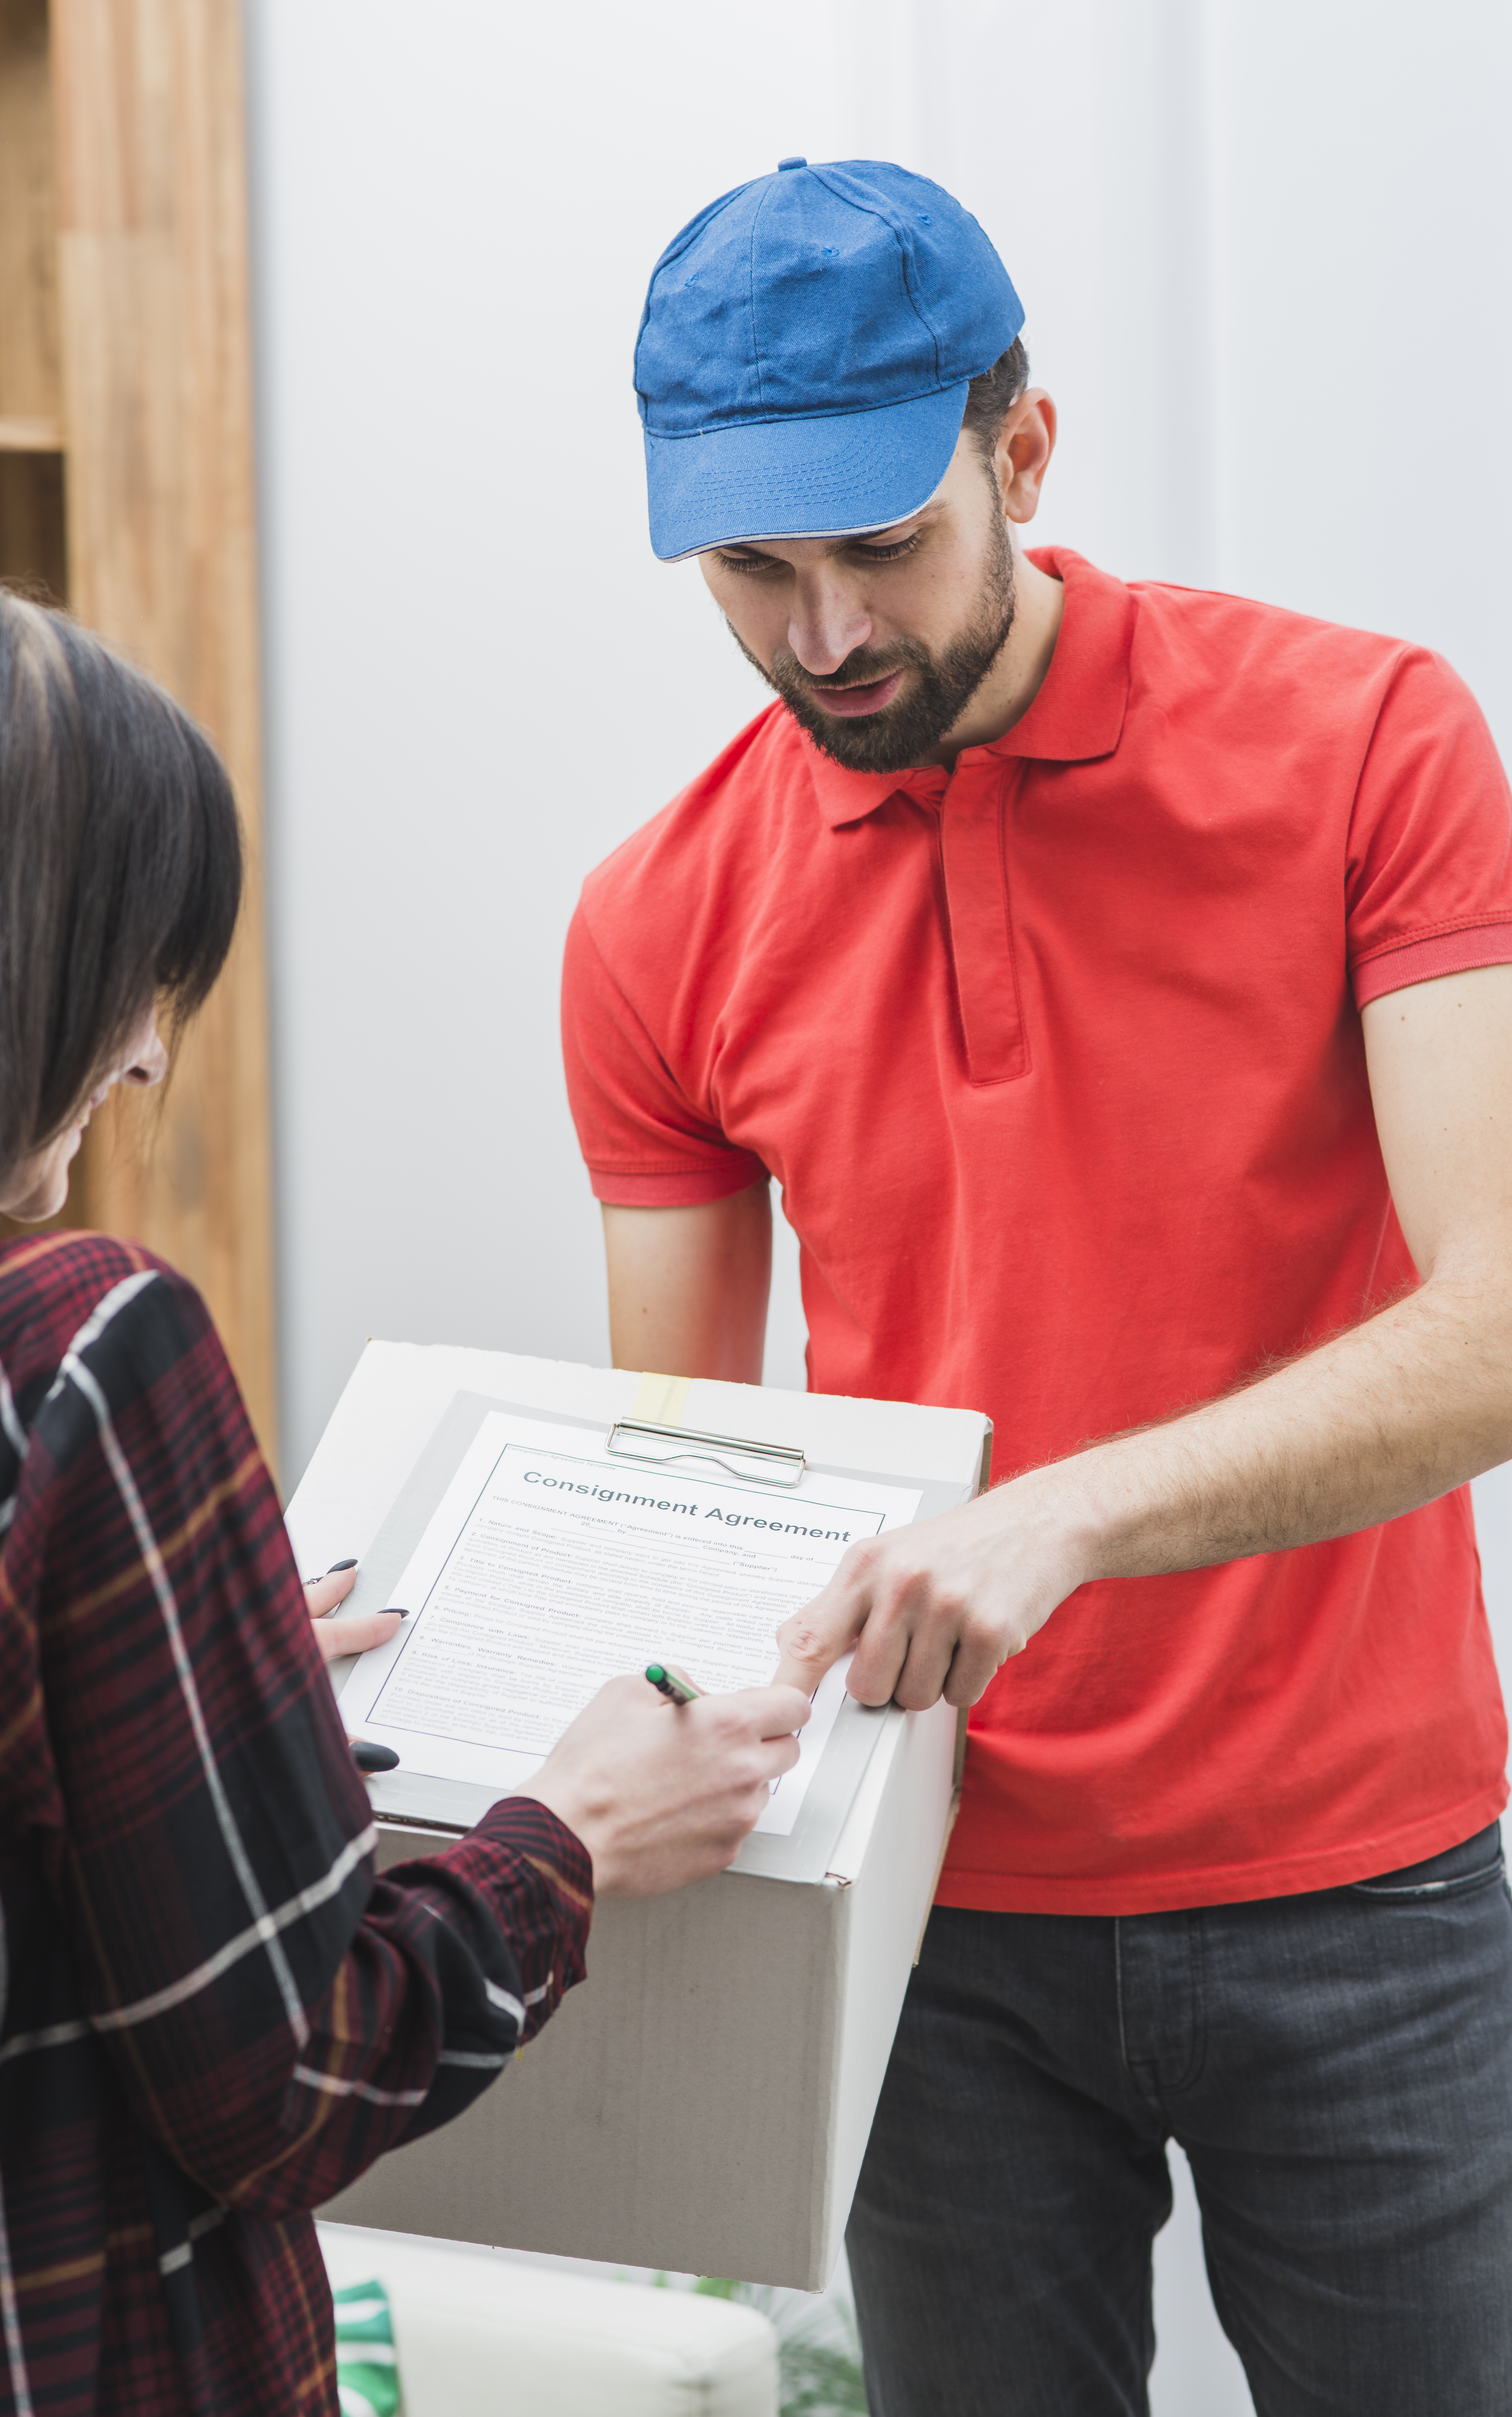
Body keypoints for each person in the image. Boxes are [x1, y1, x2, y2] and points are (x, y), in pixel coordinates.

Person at [560, 159, 1512, 2415]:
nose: (823, 635)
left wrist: (1064, 1515)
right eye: (751, 568)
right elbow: (686, 1482)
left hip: (1365, 1895)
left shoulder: (1368, 746)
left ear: (1022, 453)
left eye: (884, 548)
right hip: (924, 1927)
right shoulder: (655, 923)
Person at [0, 591, 809, 2417]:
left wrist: (172, 1671)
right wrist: (571, 1837)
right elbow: (287, 2083)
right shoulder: (86, 1348)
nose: (143, 1060)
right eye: (140, 969)